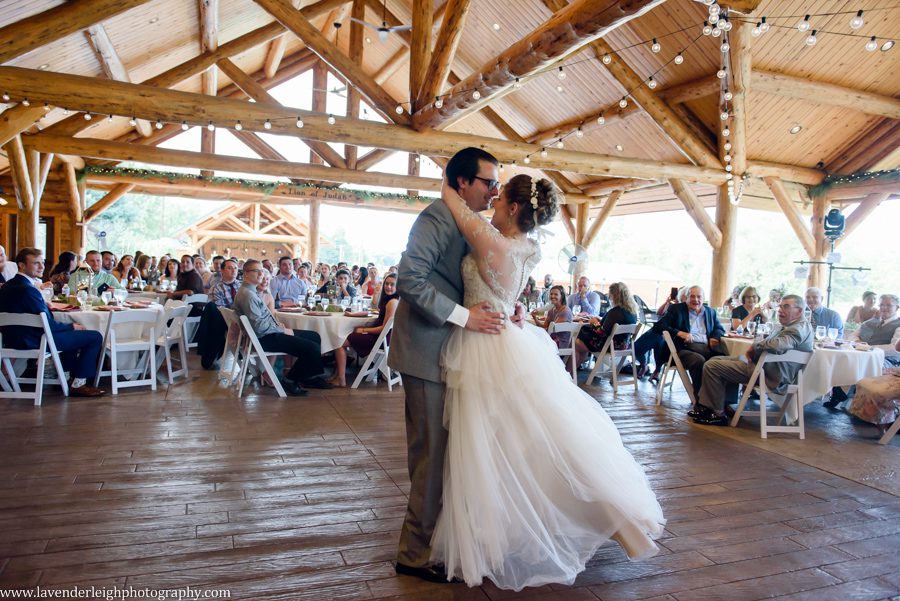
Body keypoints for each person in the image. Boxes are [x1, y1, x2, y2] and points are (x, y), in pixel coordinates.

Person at [426, 169, 664, 590]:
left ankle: (493, 541)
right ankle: (618, 527)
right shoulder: (527, 247)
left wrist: (453, 179)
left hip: (486, 347)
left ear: (514, 208)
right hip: (509, 339)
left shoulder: (493, 241)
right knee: (528, 442)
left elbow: (457, 206)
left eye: (499, 201)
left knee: (496, 444)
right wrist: (511, 306)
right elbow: (504, 289)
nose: (493, 203)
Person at [388, 147, 511, 584]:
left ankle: (438, 541)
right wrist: (465, 316)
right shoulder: (436, 218)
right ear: (462, 182)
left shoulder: (467, 223)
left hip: (452, 355)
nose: (495, 190)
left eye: (497, 183)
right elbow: (409, 280)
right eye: (488, 182)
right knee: (431, 456)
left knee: (451, 456)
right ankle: (414, 553)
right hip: (424, 351)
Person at [692, 294, 814, 426]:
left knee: (712, 366)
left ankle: (717, 413)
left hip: (768, 375)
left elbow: (778, 345)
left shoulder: (797, 329)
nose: (780, 310)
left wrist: (756, 346)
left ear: (799, 311)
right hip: (765, 368)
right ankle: (722, 405)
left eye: (786, 307)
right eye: (780, 306)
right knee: (717, 359)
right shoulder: (795, 325)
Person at [0, 248, 106, 397]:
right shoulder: (29, 290)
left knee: (70, 334)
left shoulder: (8, 286)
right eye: (36, 263)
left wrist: (46, 307)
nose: (42, 267)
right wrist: (71, 326)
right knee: (94, 336)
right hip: (36, 340)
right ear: (22, 265)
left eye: (42, 263)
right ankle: (79, 383)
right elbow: (47, 325)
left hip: (11, 339)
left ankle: (66, 376)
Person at [232, 259, 333, 395]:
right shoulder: (247, 295)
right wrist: (282, 330)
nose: (261, 274)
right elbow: (259, 327)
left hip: (266, 334)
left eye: (262, 271)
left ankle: (309, 377)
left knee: (314, 336)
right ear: (245, 274)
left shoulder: (249, 291)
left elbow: (260, 321)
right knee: (312, 348)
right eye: (257, 271)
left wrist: (276, 325)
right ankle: (290, 380)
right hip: (264, 338)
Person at [652, 285, 725, 404]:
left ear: (703, 298)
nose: (696, 300)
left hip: (705, 347)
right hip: (682, 349)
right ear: (686, 298)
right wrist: (679, 333)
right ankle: (700, 401)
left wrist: (715, 337)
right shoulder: (676, 309)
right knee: (698, 360)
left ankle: (724, 402)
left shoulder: (710, 312)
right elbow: (659, 326)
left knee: (723, 361)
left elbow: (719, 328)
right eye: (692, 296)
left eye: (699, 297)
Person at [329, 273, 400, 387]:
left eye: (392, 284)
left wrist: (363, 330)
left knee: (338, 343)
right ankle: (337, 374)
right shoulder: (391, 300)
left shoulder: (392, 302)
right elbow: (374, 311)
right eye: (386, 284)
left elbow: (383, 329)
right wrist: (356, 316)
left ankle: (341, 379)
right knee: (347, 334)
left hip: (381, 339)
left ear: (398, 286)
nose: (388, 287)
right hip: (383, 338)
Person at [575, 281, 639, 366]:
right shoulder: (632, 312)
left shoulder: (615, 312)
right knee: (581, 343)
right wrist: (601, 320)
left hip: (609, 347)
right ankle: (575, 371)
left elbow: (601, 332)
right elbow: (613, 324)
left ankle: (571, 373)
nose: (609, 297)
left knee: (576, 343)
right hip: (623, 347)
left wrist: (594, 323)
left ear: (615, 295)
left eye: (610, 295)